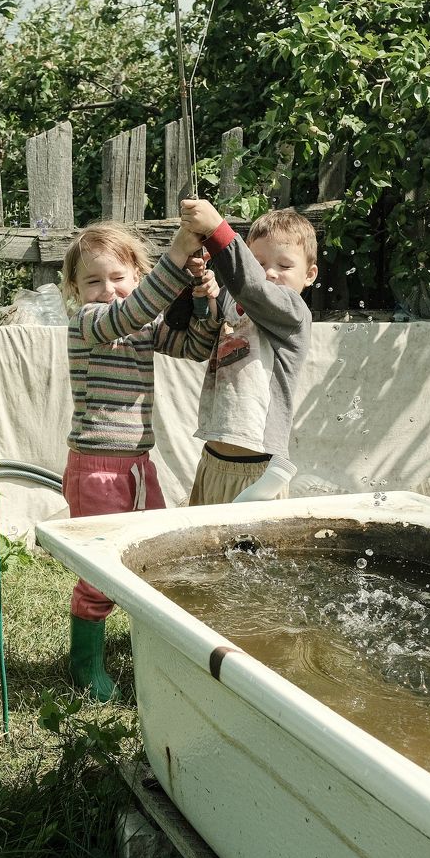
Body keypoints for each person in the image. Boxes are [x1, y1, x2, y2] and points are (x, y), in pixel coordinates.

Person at [60, 220, 221, 701]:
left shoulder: (143, 325)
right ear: (76, 290)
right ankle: (85, 664)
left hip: (138, 467)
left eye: (118, 277)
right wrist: (177, 256)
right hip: (96, 471)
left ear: (137, 275)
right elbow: (129, 313)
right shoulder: (90, 322)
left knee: (153, 555)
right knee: (101, 574)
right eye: (93, 280)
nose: (107, 289)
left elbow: (195, 347)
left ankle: (145, 643)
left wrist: (202, 302)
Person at [179, 199, 318, 506]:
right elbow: (202, 331)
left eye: (284, 266)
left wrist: (217, 230)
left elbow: (252, 286)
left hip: (256, 472)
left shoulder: (293, 312)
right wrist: (203, 290)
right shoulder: (233, 299)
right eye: (259, 263)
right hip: (211, 460)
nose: (270, 273)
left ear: (309, 275)